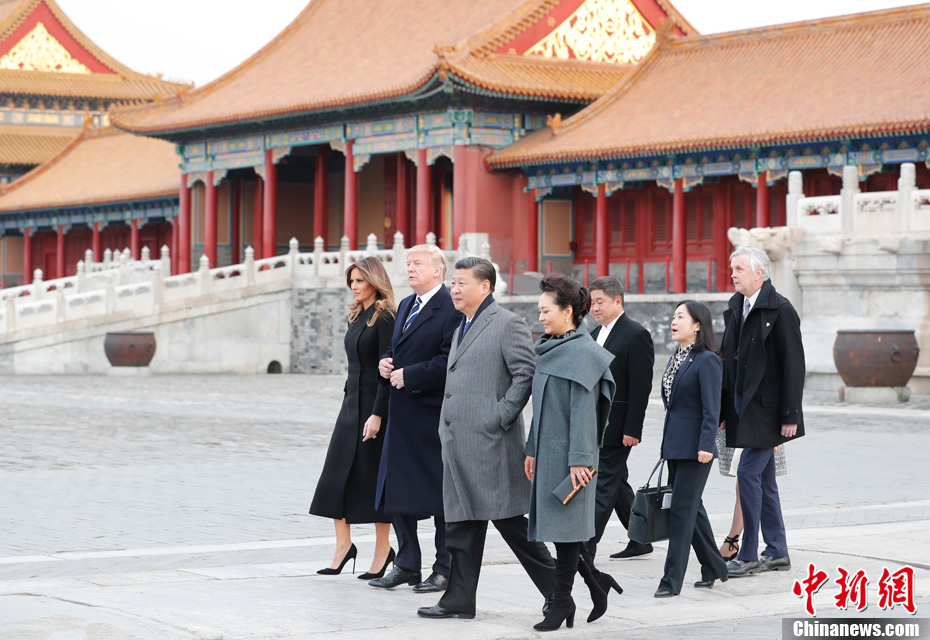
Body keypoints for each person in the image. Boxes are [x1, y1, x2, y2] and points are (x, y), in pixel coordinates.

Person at [417, 257, 556, 620]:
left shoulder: (507, 323)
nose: (455, 289)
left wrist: (498, 417)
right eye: (454, 283)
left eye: (463, 283)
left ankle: (559, 590)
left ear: (486, 286)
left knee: (511, 524)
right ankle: (459, 599)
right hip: (456, 440)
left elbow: (525, 375)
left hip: (491, 442)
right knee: (461, 525)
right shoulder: (461, 325)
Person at [524, 275, 615, 631]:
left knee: (566, 531)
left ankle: (561, 602)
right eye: (540, 311)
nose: (541, 318)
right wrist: (531, 449)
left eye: (546, 311)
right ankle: (596, 584)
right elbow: (540, 406)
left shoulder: (582, 353)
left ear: (568, 311)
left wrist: (580, 460)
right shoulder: (549, 347)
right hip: (547, 453)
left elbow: (584, 412)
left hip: (573, 458)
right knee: (561, 529)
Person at [370, 244, 461, 593]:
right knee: (395, 490)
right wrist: (386, 363)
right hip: (400, 413)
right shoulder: (406, 305)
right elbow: (396, 349)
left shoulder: (449, 308)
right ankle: (407, 563)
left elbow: (448, 361)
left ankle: (445, 567)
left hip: (429, 415)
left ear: (438, 270)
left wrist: (411, 375)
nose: (410, 269)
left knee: (438, 497)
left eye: (418, 263)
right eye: (408, 263)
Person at [720, 246, 805, 578]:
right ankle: (778, 550)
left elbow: (793, 366)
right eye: (732, 269)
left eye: (739, 269)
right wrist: (726, 409)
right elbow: (729, 364)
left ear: (760, 273)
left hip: (769, 412)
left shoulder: (781, 310)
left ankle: (750, 553)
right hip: (743, 406)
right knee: (765, 480)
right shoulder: (735, 307)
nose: (733, 274)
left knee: (748, 475)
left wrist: (790, 415)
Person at [309, 257, 396, 578]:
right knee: (334, 478)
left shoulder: (386, 316)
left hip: (373, 409)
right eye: (352, 281)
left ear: (375, 280)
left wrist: (377, 414)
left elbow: (387, 368)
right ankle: (344, 546)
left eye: (360, 280)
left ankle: (384, 550)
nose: (354, 287)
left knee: (373, 481)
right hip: (350, 407)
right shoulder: (357, 316)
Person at [654, 300, 730, 597]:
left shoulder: (708, 359)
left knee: (681, 513)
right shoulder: (677, 357)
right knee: (691, 507)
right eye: (673, 316)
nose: (674, 321)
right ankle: (714, 566)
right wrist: (665, 446)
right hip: (675, 446)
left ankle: (671, 581)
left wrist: (706, 445)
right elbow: (673, 408)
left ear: (697, 324)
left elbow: (712, 408)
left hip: (698, 449)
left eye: (680, 317)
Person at [585, 276, 655, 563]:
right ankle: (640, 538)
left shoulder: (636, 334)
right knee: (617, 484)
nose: (595, 308)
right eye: (591, 303)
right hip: (594, 422)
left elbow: (641, 386)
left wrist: (632, 428)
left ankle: (585, 547)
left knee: (602, 485)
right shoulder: (592, 335)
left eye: (600, 301)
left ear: (617, 301)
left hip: (618, 426)